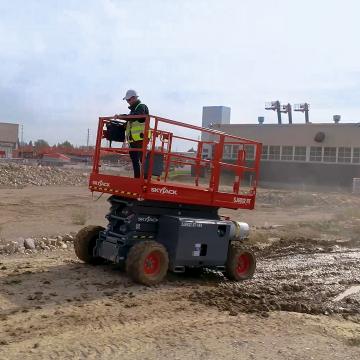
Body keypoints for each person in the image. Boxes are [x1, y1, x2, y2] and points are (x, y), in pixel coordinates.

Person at [123, 89, 149, 178]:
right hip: (134, 140)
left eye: (128, 100)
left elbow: (135, 117)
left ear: (134, 98)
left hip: (141, 138)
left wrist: (122, 116)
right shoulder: (133, 110)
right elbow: (130, 122)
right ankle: (137, 178)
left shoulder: (141, 107)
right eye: (127, 100)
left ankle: (145, 178)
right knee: (134, 159)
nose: (128, 102)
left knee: (142, 159)